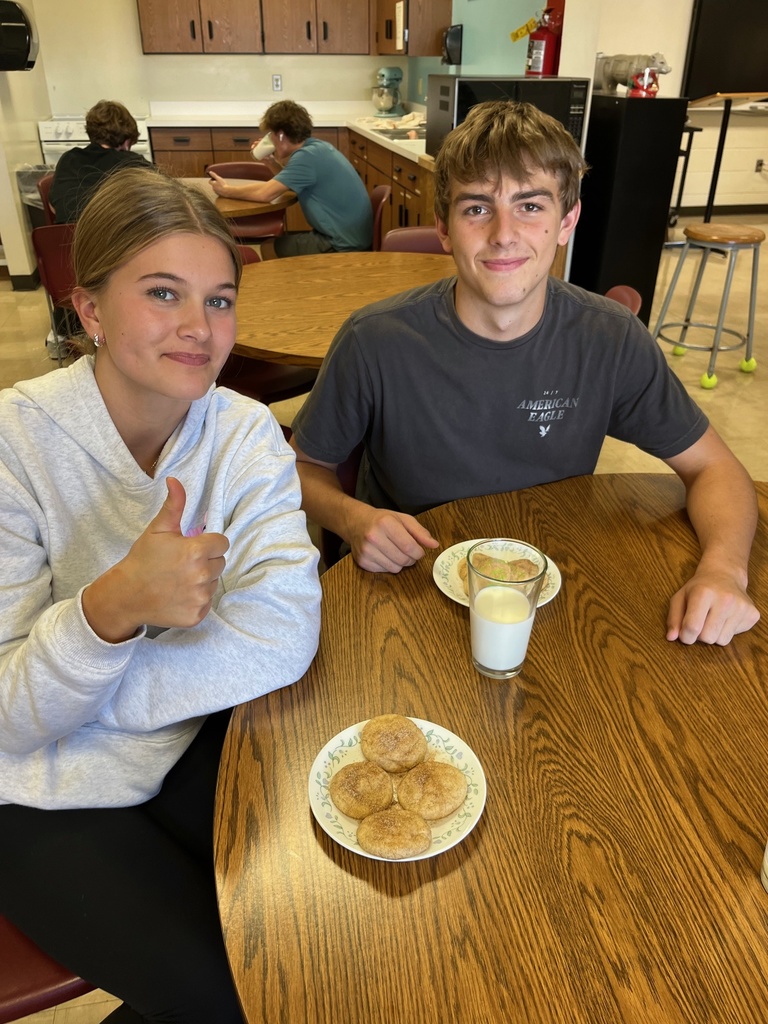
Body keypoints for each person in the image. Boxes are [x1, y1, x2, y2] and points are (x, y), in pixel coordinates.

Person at [0, 167, 321, 1022]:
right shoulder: (14, 447)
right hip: (34, 793)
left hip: (184, 742)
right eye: (163, 293)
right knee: (233, 999)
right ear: (90, 309)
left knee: (311, 955)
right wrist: (111, 610)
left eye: (219, 300)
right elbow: (8, 721)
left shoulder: (243, 431)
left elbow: (285, 629)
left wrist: (91, 700)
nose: (198, 328)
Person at [289, 100, 760, 647]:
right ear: (444, 228)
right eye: (477, 208)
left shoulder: (609, 337)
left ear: (567, 222)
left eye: (530, 206)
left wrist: (724, 570)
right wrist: (353, 518)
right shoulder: (374, 339)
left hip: (555, 589)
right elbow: (302, 466)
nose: (504, 234)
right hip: (410, 589)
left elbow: (714, 468)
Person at [208, 99, 372, 258]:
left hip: (340, 244)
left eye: (270, 134)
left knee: (268, 247)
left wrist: (227, 190)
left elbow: (265, 194)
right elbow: (288, 184)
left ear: (280, 135)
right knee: (278, 244)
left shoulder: (306, 157)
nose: (270, 139)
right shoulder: (317, 148)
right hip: (351, 236)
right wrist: (271, 162)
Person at [49, 99, 155, 224]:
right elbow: (165, 195)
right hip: (109, 234)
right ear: (127, 142)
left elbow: (53, 206)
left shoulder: (69, 158)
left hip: (62, 234)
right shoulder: (132, 162)